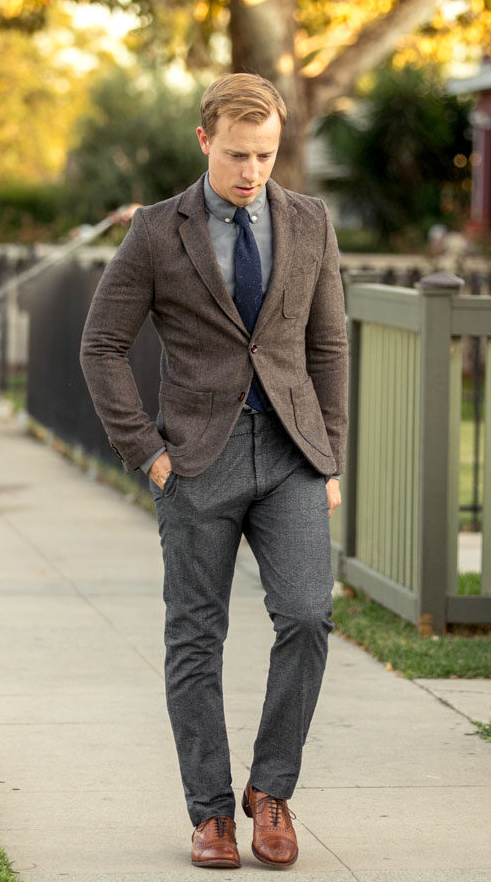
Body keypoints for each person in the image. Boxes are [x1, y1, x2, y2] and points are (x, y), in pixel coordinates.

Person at [80, 72, 348, 870]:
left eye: (265, 155)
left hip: (294, 456)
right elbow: (101, 346)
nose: (252, 172)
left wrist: (330, 456)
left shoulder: (310, 222)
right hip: (197, 461)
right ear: (205, 143)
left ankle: (271, 794)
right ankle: (210, 815)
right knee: (196, 637)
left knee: (306, 616)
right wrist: (148, 454)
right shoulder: (159, 232)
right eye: (237, 154)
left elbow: (328, 346)